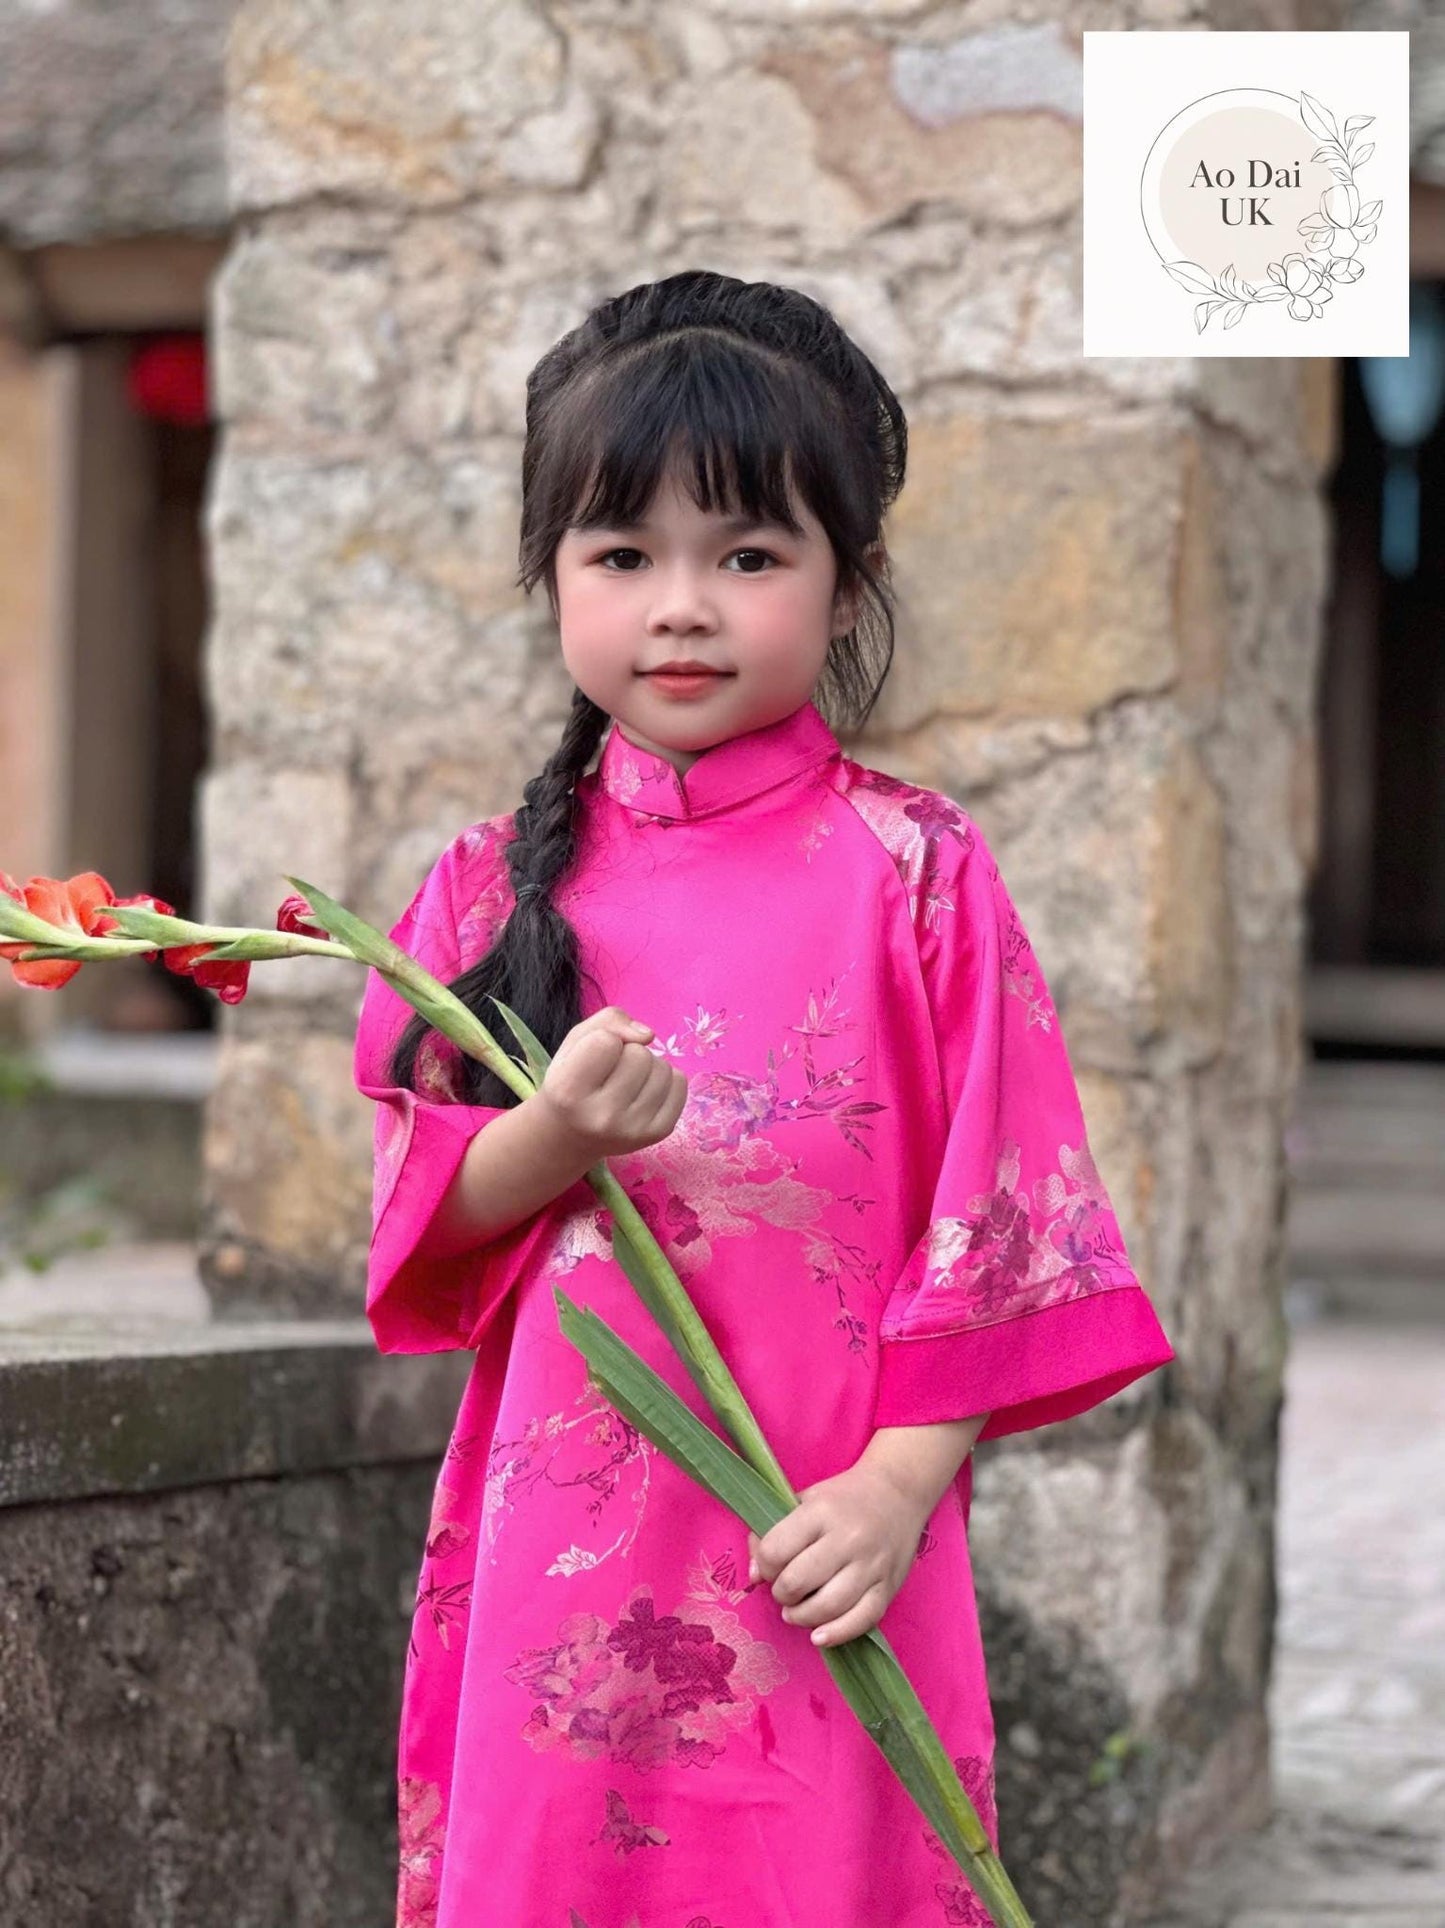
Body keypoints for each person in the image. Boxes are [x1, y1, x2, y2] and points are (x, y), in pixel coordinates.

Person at [352, 268, 1176, 1928]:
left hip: (827, 1540)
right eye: (622, 556)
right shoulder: (477, 895)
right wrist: (557, 1137)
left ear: (842, 583)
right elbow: (422, 1217)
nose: (682, 607)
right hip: (565, 1560)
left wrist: (893, 1486)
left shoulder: (916, 874)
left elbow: (1007, 1221)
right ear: (550, 580)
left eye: (747, 556)